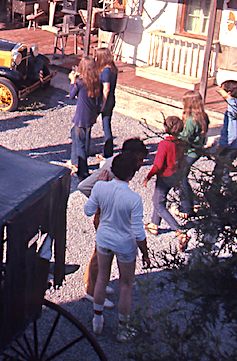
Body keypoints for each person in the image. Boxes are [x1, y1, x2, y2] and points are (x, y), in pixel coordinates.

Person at [84, 152, 152, 341]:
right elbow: (138, 232)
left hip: (104, 238)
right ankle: (123, 329)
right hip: (125, 244)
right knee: (126, 285)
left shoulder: (100, 188)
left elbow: (88, 210)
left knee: (101, 279)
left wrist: (99, 185)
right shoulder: (134, 199)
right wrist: (145, 252)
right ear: (131, 175)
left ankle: (97, 321)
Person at [77, 138, 149, 307]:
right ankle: (92, 290)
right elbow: (83, 186)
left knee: (101, 252)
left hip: (109, 215)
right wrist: (100, 201)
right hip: (106, 216)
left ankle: (92, 282)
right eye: (139, 160)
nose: (140, 164)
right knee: (99, 253)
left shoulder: (116, 165)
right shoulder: (110, 169)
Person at [144, 116, 190, 250]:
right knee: (158, 198)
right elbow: (182, 162)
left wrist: (148, 176)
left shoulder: (164, 144)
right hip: (175, 175)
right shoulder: (181, 143)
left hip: (164, 177)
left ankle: (179, 231)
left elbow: (158, 164)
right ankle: (154, 224)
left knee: (158, 203)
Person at [175, 90, 209, 219]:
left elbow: (184, 138)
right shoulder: (203, 117)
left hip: (189, 152)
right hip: (197, 151)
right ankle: (194, 202)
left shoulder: (190, 120)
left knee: (181, 177)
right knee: (184, 176)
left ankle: (186, 206)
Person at [69, 56, 103, 179]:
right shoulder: (97, 81)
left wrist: (72, 80)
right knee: (76, 134)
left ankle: (83, 172)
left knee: (80, 144)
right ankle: (74, 162)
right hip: (90, 116)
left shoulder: (80, 82)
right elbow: (100, 102)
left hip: (81, 117)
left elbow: (71, 95)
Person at [213, 80, 237, 188]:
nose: (220, 91)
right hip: (235, 145)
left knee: (221, 174)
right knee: (221, 172)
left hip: (229, 147)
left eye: (222, 89)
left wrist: (223, 146)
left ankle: (235, 194)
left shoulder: (232, 109)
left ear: (229, 92)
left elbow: (233, 132)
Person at [95, 48, 118, 158]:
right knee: (107, 125)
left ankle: (107, 152)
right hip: (112, 99)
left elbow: (106, 89)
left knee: (105, 127)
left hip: (105, 101)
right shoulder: (113, 68)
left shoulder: (105, 71)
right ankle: (108, 151)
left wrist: (102, 105)